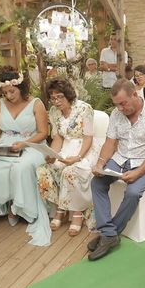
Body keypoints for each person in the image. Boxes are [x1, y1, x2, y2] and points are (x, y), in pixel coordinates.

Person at [88, 79, 145, 260]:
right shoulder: (117, 114)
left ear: (134, 94)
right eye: (117, 105)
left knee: (132, 192)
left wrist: (138, 173)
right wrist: (100, 163)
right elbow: (110, 143)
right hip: (121, 158)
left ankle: (109, 234)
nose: (120, 109)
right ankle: (109, 234)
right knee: (97, 183)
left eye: (123, 103)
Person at [0, 71, 51, 246]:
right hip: (6, 144)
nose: (8, 96)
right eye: (5, 93)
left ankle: (23, 209)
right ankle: (9, 205)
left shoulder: (36, 103)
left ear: (21, 87)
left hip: (32, 144)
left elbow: (44, 132)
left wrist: (24, 143)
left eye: (12, 92)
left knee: (21, 167)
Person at [37, 78, 101, 237]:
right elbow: (58, 137)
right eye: (53, 97)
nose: (56, 101)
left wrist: (78, 157)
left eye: (60, 97)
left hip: (84, 150)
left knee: (70, 172)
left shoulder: (84, 109)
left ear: (68, 95)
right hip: (65, 148)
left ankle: (76, 213)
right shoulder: (53, 112)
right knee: (45, 170)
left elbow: (88, 138)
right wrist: (52, 155)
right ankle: (61, 206)